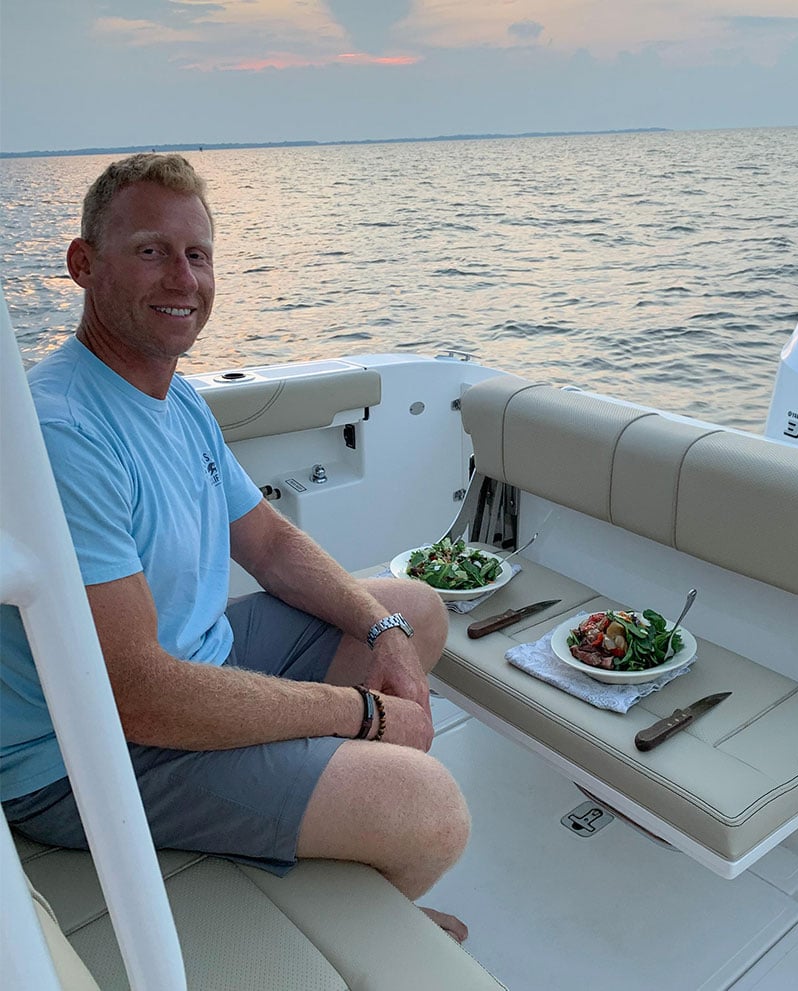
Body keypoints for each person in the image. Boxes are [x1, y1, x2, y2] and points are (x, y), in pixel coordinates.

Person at [0, 153, 471, 941]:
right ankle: (368, 921)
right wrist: (360, 715)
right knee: (430, 810)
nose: (182, 278)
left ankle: (309, 813)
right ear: (83, 264)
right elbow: (136, 693)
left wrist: (381, 633)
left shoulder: (174, 395)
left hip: (197, 665)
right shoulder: (63, 432)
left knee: (413, 611)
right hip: (83, 755)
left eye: (198, 255)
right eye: (151, 250)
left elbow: (273, 544)